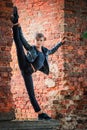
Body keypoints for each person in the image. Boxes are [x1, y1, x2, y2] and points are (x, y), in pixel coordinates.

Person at [10, 6, 66, 120]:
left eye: (41, 40)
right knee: (19, 44)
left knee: (31, 93)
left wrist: (61, 43)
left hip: (28, 73)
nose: (39, 42)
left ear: (43, 40)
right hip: (24, 63)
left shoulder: (45, 52)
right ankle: (15, 22)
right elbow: (22, 39)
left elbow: (52, 50)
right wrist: (19, 28)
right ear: (35, 40)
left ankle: (40, 113)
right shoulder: (31, 48)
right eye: (37, 40)